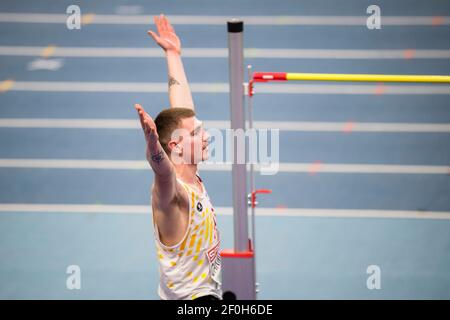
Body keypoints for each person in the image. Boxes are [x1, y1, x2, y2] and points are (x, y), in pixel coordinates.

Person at [134, 14, 222, 300]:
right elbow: (162, 172)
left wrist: (172, 53)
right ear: (177, 146)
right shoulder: (173, 194)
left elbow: (183, 108)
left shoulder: (191, 176)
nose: (206, 136)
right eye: (197, 133)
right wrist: (152, 145)